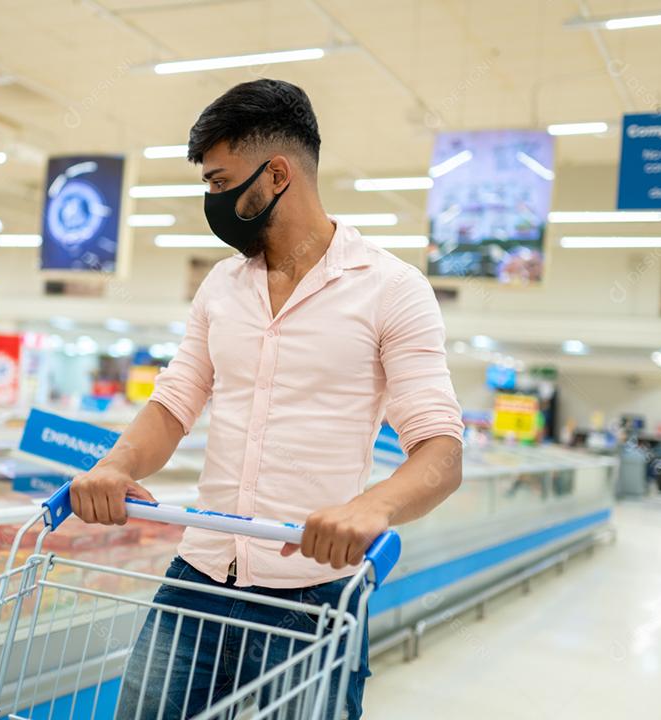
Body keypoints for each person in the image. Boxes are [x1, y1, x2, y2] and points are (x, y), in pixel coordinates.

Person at [70, 79, 464, 719]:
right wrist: (117, 465)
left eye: (221, 183)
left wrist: (370, 508)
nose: (212, 200)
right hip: (194, 581)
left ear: (277, 173)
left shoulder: (392, 289)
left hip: (309, 601)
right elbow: (173, 403)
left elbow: (441, 453)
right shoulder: (220, 288)